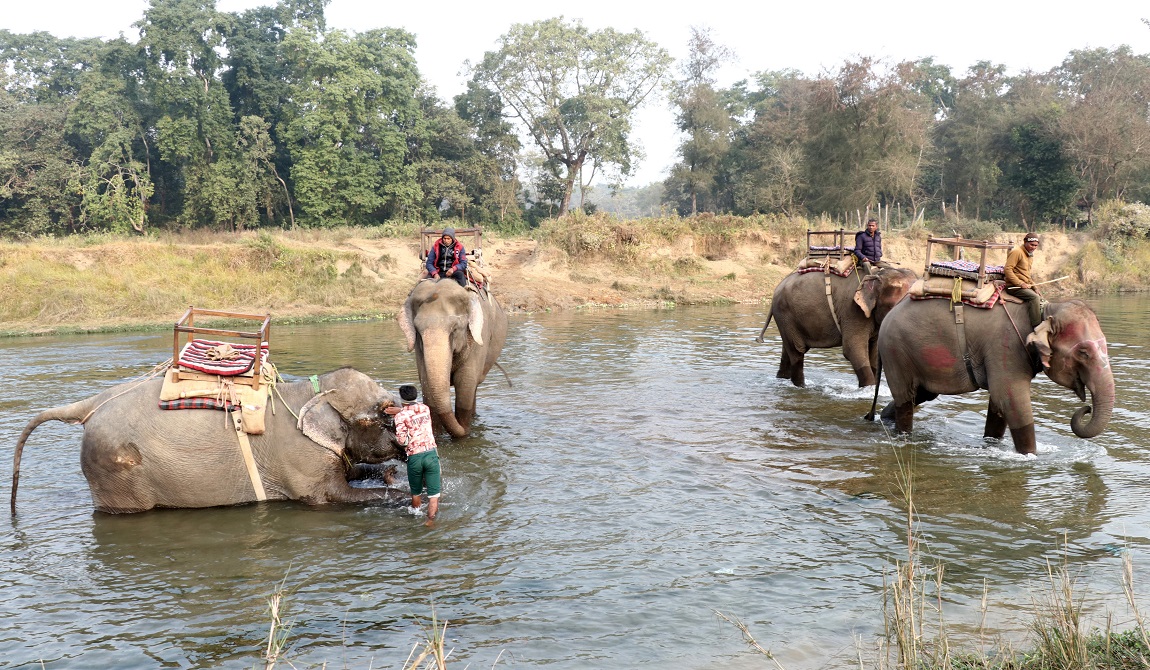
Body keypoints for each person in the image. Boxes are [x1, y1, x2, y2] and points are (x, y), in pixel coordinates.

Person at [385, 385, 441, 522]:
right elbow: (414, 410)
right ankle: (430, 521)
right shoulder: (425, 409)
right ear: (416, 396)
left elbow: (402, 441)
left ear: (401, 398)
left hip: (415, 458)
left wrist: (399, 414)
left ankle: (415, 516)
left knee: (416, 493)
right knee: (433, 495)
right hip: (431, 455)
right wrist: (401, 411)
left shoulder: (400, 416)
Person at [1004, 233, 1043, 327]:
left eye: (1036, 245)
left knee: (1040, 296)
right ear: (1025, 242)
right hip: (1013, 286)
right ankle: (1036, 326)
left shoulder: (1029, 255)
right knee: (1034, 298)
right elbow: (1007, 269)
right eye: (1032, 244)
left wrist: (1035, 287)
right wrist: (1020, 283)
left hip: (1023, 285)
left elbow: (1026, 275)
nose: (1033, 247)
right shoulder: (1017, 252)